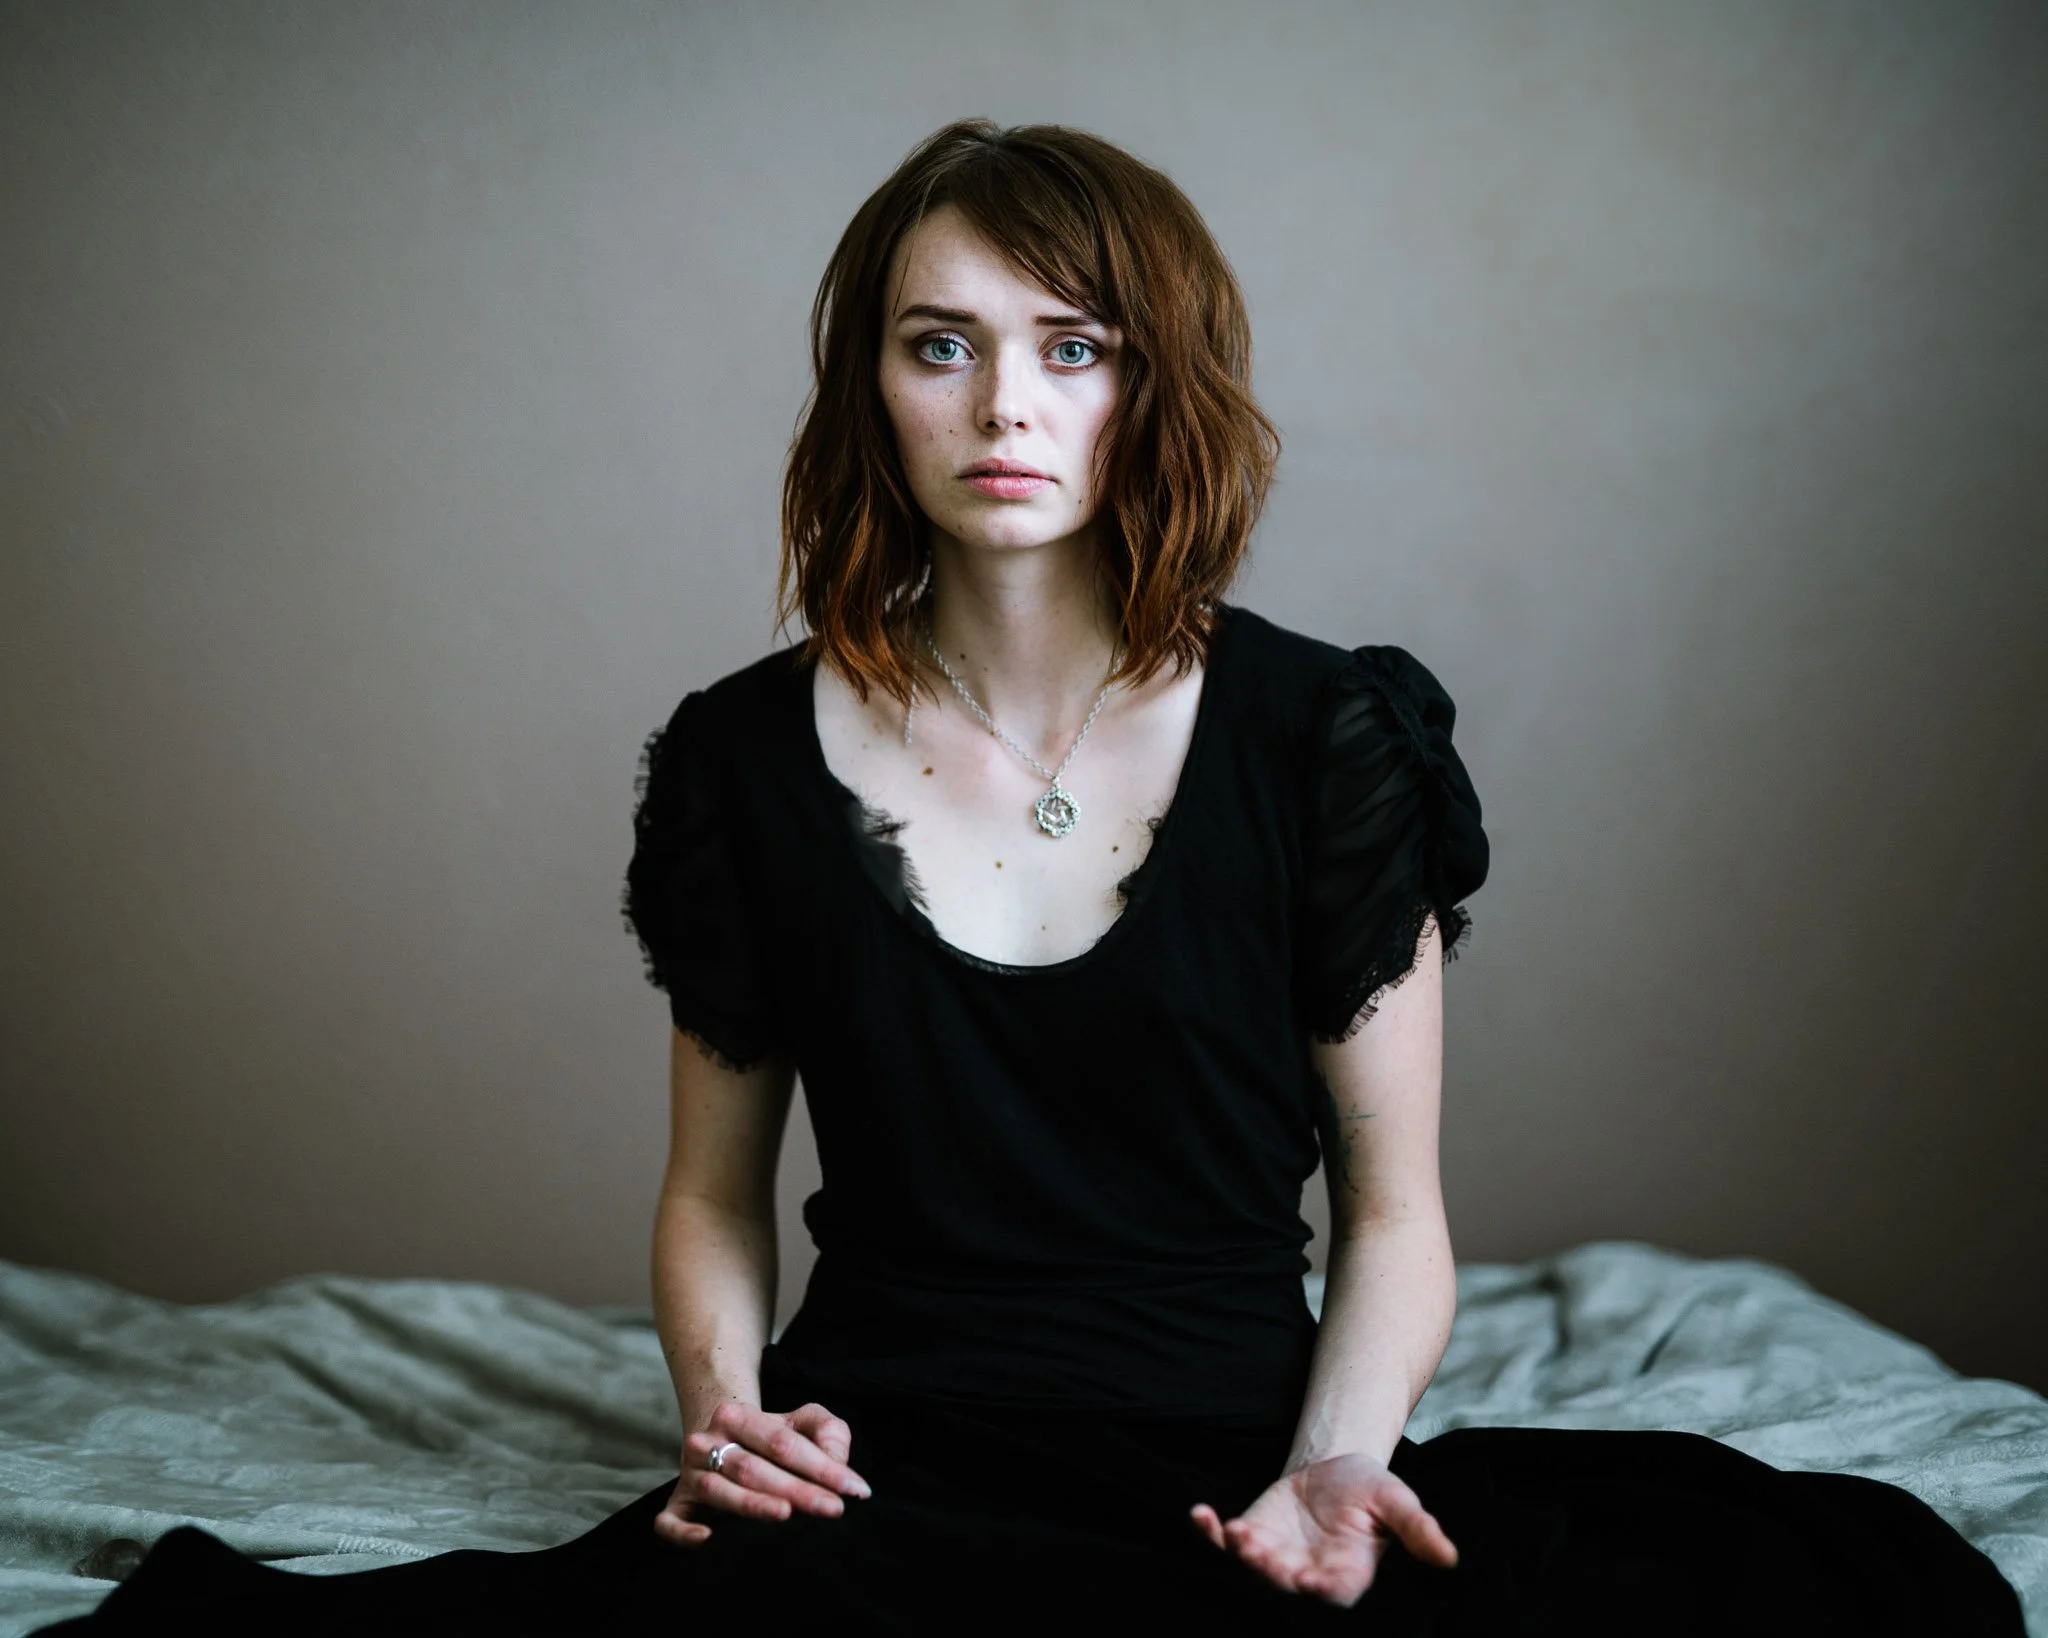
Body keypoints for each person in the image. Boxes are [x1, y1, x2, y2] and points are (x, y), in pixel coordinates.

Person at [52, 119, 2021, 1638]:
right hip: (879, 1469)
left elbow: (1398, 1213)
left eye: (1071, 347)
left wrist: (1337, 1463)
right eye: (943, 345)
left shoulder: (1329, 741)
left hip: (1238, 1457)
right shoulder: (743, 759)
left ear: (1149, 383)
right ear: (870, 390)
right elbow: (710, 1194)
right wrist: (726, 1420)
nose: (1005, 403)